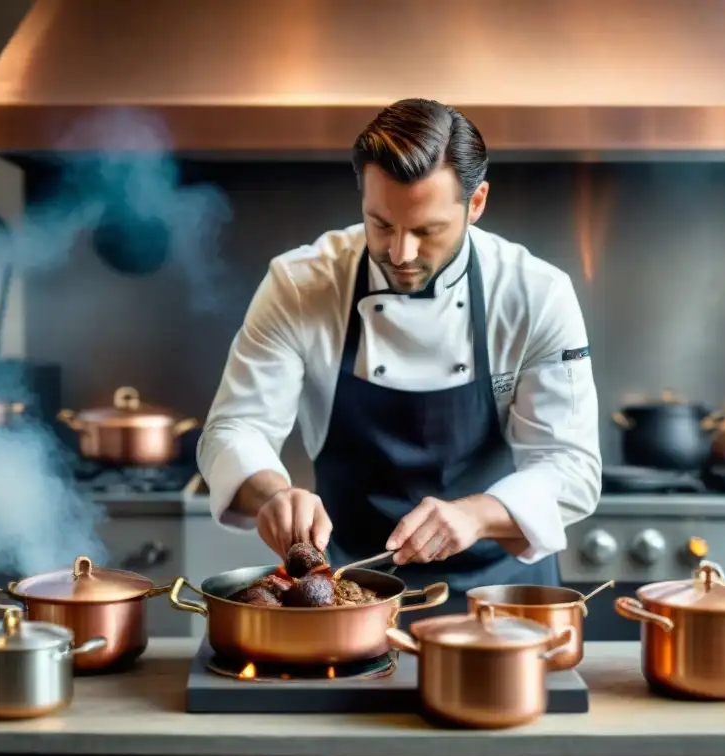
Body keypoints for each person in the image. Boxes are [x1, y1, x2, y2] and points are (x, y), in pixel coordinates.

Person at [197, 98, 602, 615]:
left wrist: (476, 515)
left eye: (428, 231)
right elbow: (233, 429)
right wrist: (274, 493)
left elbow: (571, 466)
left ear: (475, 203)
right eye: (381, 225)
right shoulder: (300, 285)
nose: (401, 254)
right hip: (348, 596)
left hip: (501, 602)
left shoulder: (534, 294)